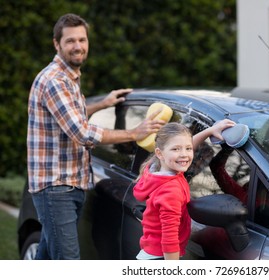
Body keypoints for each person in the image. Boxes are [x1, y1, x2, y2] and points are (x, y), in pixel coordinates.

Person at [27, 13, 165, 260]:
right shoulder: (56, 81)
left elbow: (66, 116)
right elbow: (81, 132)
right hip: (57, 187)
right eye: (70, 41)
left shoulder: (67, 78)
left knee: (47, 258)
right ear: (56, 44)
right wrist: (134, 133)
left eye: (82, 39)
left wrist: (103, 104)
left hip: (68, 184)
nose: (78, 46)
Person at [133, 120, 234, 260]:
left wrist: (209, 131)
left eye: (188, 148)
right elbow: (169, 239)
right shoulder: (171, 190)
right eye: (176, 149)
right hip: (162, 257)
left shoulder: (156, 169)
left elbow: (183, 145)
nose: (184, 155)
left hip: (150, 252)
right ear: (160, 153)